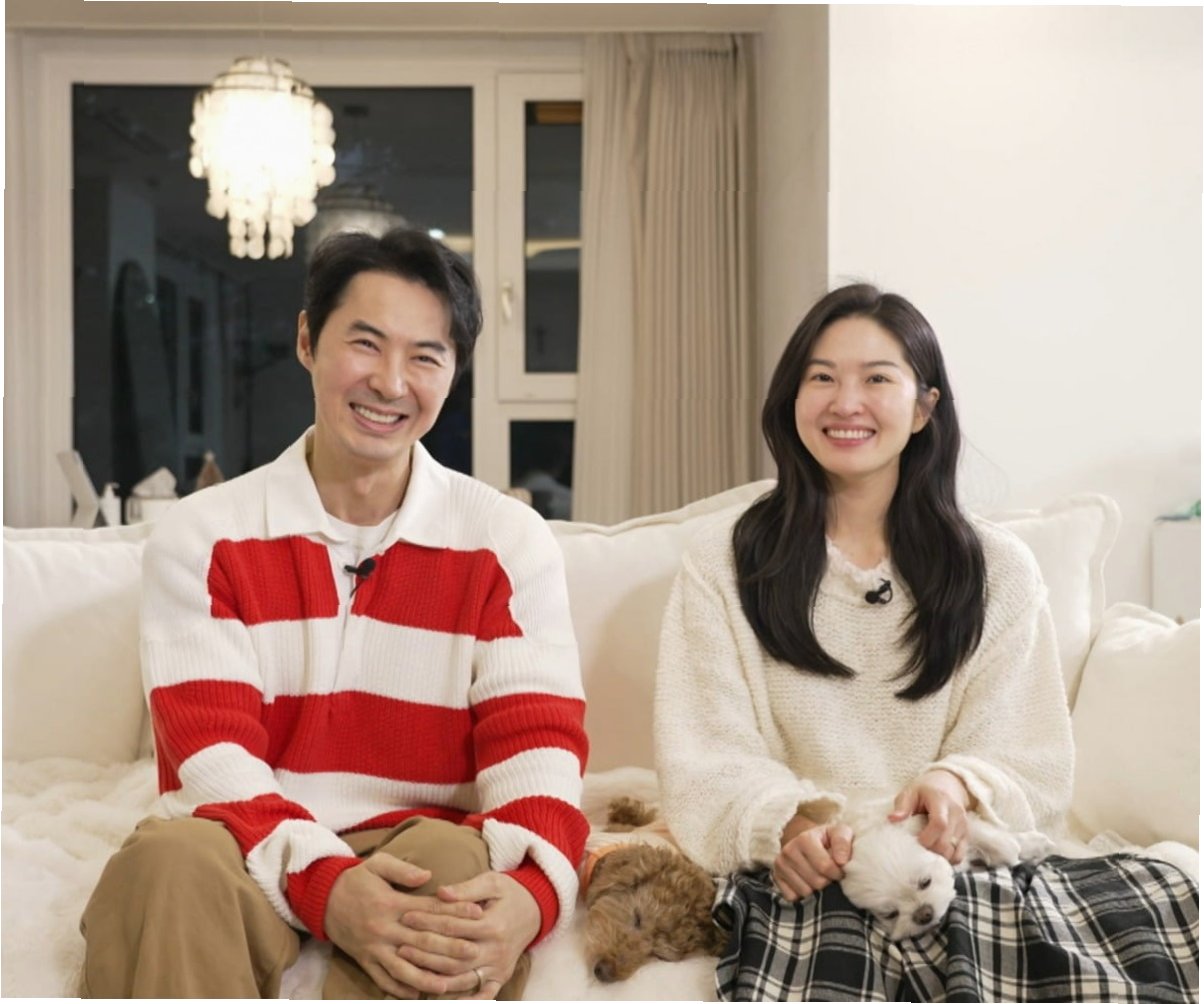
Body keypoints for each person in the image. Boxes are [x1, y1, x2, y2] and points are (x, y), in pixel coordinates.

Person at [80, 227, 590, 999]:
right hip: (243, 839)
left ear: (454, 373)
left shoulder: (506, 541)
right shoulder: (204, 535)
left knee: (458, 879)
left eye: (426, 357)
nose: (391, 382)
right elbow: (211, 756)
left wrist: (536, 892)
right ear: (307, 341)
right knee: (167, 864)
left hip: (423, 840)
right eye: (365, 344)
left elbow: (538, 744)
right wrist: (325, 883)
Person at [654, 284, 1199, 1001]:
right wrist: (789, 824)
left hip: (961, 868)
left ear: (923, 408)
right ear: (792, 401)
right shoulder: (723, 561)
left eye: (877, 379)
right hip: (807, 875)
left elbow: (1031, 755)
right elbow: (704, 757)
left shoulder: (997, 570)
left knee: (1155, 909)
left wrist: (955, 787)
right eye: (822, 378)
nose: (847, 402)